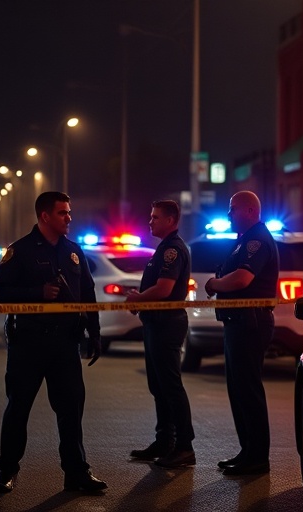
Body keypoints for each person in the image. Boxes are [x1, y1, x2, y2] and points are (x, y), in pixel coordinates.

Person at [0, 191, 107, 493]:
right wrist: (37, 292)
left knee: (71, 411)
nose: (69, 218)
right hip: (28, 344)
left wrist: (94, 333)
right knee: (18, 409)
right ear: (45, 216)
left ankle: (77, 473)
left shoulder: (73, 251)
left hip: (65, 344)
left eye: (69, 212)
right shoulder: (20, 251)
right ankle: (7, 471)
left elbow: (88, 294)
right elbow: (0, 293)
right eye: (63, 213)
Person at [203, 190, 279, 476]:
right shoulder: (245, 240)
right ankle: (248, 451)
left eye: (232, 209)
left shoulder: (256, 240)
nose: (228, 215)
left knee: (247, 389)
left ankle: (257, 456)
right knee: (238, 389)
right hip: (238, 322)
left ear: (249, 211)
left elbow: (243, 278)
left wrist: (214, 283)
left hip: (250, 322)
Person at [125, 200, 196, 468]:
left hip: (167, 324)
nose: (150, 221)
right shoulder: (164, 248)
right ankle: (165, 441)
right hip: (156, 323)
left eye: (155, 217)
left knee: (170, 385)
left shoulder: (172, 250)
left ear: (170, 220)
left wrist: (139, 298)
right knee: (158, 385)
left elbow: (165, 289)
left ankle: (184, 446)